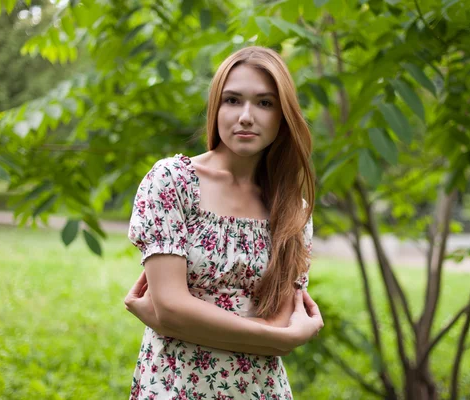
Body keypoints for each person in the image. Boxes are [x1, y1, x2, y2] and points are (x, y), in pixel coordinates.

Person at [123, 46, 323, 400]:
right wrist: (281, 340)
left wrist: (171, 321)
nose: (246, 116)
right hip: (176, 385)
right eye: (233, 100)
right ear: (216, 108)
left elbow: (278, 321)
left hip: (260, 390)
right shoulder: (173, 182)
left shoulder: (293, 209)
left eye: (264, 103)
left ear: (283, 115)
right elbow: (171, 305)